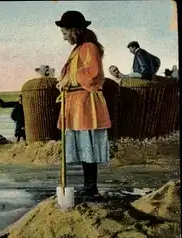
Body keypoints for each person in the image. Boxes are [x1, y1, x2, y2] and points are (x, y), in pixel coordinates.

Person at [55, 10, 112, 200]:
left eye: (64, 33)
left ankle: (91, 188)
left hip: (86, 105)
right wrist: (63, 79)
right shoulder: (79, 49)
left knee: (88, 146)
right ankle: (88, 187)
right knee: (83, 146)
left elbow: (94, 73)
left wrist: (69, 79)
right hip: (76, 104)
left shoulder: (89, 47)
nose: (64, 38)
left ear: (74, 31)